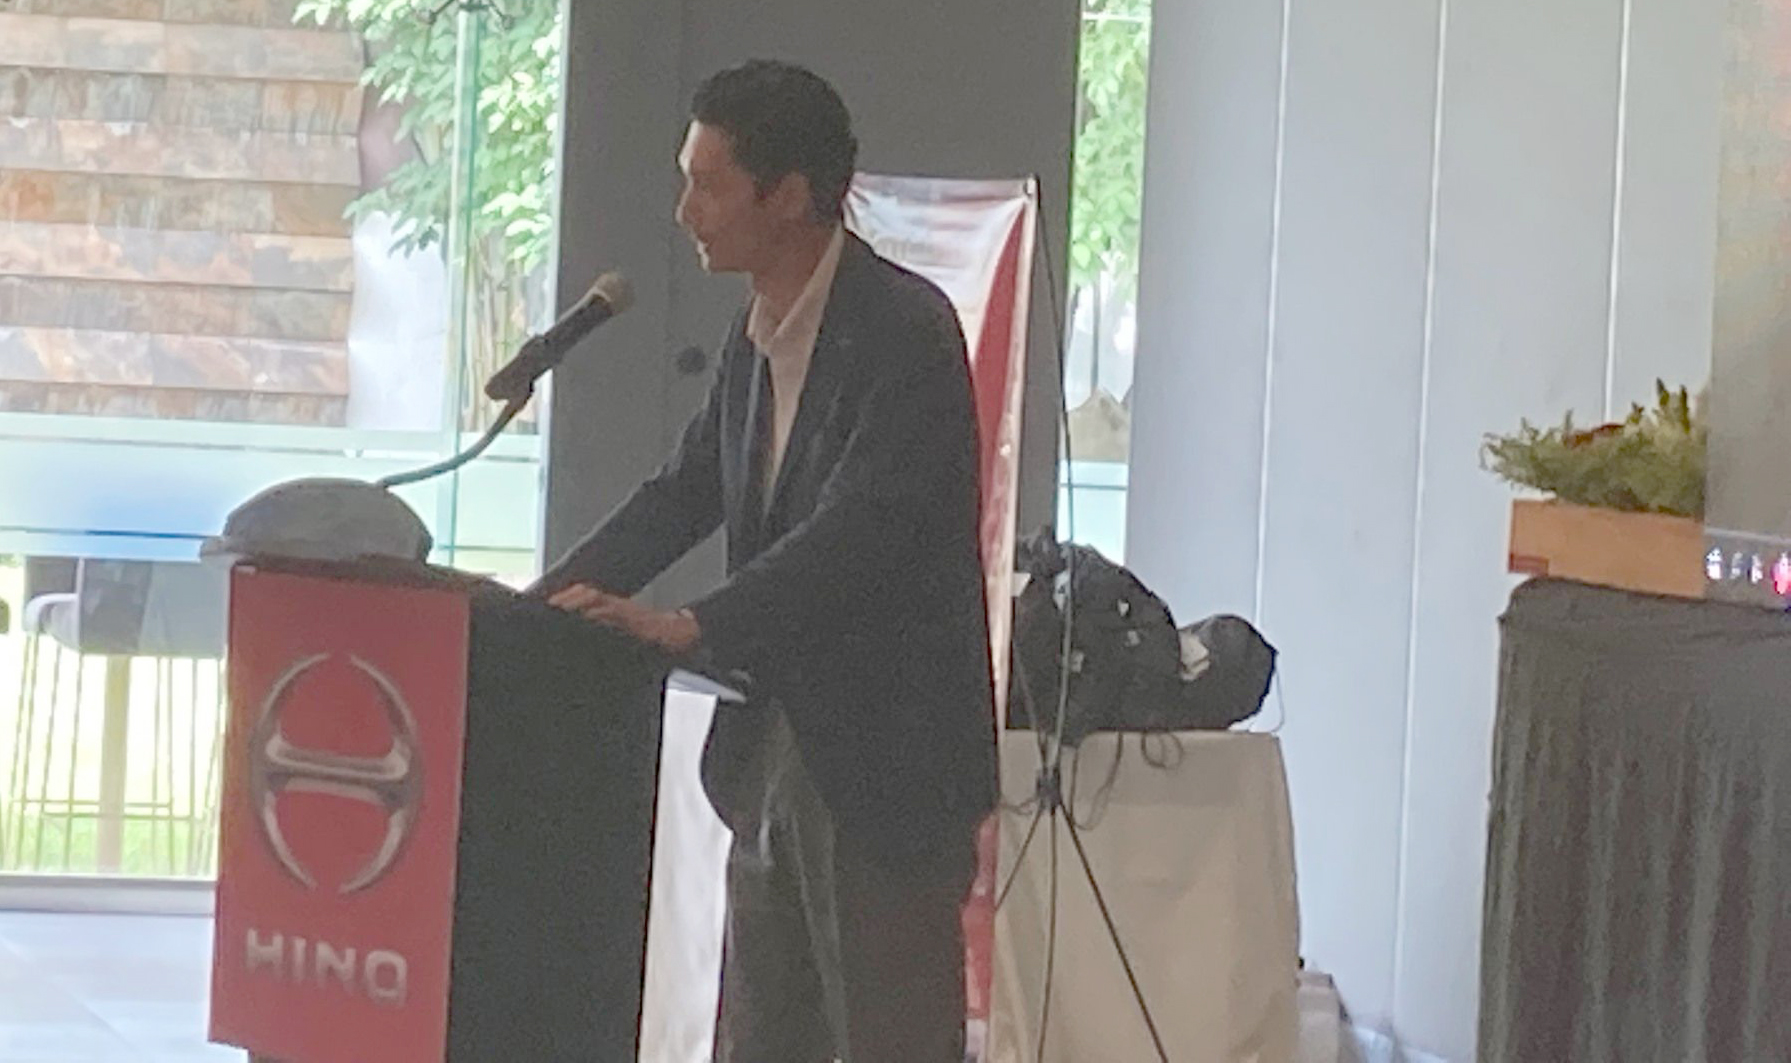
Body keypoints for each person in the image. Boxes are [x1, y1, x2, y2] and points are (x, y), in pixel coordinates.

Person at [532, 60, 997, 1062]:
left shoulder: (905, 330)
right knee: (760, 1037)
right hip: (770, 747)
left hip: (884, 765)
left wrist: (694, 623)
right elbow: (682, 493)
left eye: (708, 185)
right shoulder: (755, 338)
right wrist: (531, 609)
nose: (685, 211)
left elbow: (861, 530)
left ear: (787, 195)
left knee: (890, 1039)